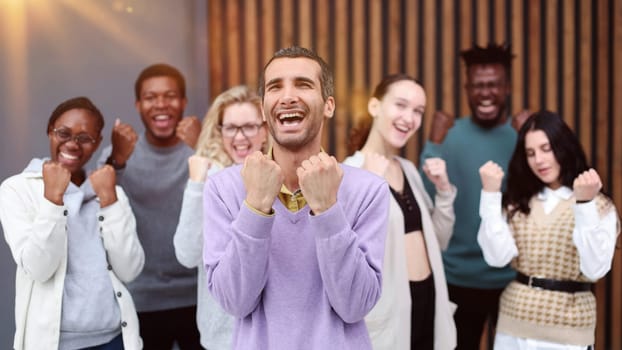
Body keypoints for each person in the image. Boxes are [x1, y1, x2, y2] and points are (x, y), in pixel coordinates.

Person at [202, 46, 389, 349]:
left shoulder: (369, 191)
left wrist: (327, 210)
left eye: (303, 84)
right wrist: (256, 207)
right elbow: (234, 302)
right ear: (264, 110)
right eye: (275, 86)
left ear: (328, 105)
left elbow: (355, 306)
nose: (287, 96)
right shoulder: (223, 190)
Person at [0, 97, 144, 350]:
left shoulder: (109, 192)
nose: (72, 144)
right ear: (49, 131)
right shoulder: (17, 189)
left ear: (97, 143)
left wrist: (110, 200)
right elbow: (38, 268)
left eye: (84, 138)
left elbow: (130, 270)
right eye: (63, 133)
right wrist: (53, 200)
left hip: (114, 340)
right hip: (54, 344)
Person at [477, 110, 620, 349]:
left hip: (568, 329)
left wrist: (584, 204)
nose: (539, 161)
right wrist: (490, 196)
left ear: (563, 146)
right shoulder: (518, 202)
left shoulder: (598, 204)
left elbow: (595, 269)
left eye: (546, 148)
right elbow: (496, 257)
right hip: (514, 323)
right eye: (530, 153)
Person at [420, 42, 530, 349]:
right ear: (467, 88)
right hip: (457, 278)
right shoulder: (448, 137)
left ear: (506, 88)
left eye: (493, 85)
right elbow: (427, 197)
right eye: (478, 85)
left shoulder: (521, 137)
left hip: (511, 280)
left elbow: (539, 198)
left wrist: (532, 135)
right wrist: (433, 143)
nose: (485, 93)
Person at [344, 74, 457, 350]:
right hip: (389, 315)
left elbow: (439, 241)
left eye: (418, 111)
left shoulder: (408, 170)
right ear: (374, 107)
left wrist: (443, 191)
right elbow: (344, 258)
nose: (409, 118)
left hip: (427, 302)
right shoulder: (349, 173)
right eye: (401, 105)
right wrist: (368, 186)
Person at [97, 63, 203, 349]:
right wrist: (118, 159)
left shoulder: (202, 149)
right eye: (151, 97)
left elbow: (229, 194)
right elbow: (99, 205)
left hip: (200, 297)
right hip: (141, 298)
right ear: (138, 104)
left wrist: (204, 147)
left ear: (183, 103)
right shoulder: (117, 155)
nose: (161, 104)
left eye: (170, 96)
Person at [173, 85, 269, 349]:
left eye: (249, 126)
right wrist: (195, 186)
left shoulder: (282, 179)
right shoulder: (207, 181)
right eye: (230, 127)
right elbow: (187, 254)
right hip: (221, 339)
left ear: (265, 130)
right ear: (220, 131)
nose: (240, 137)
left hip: (273, 334)